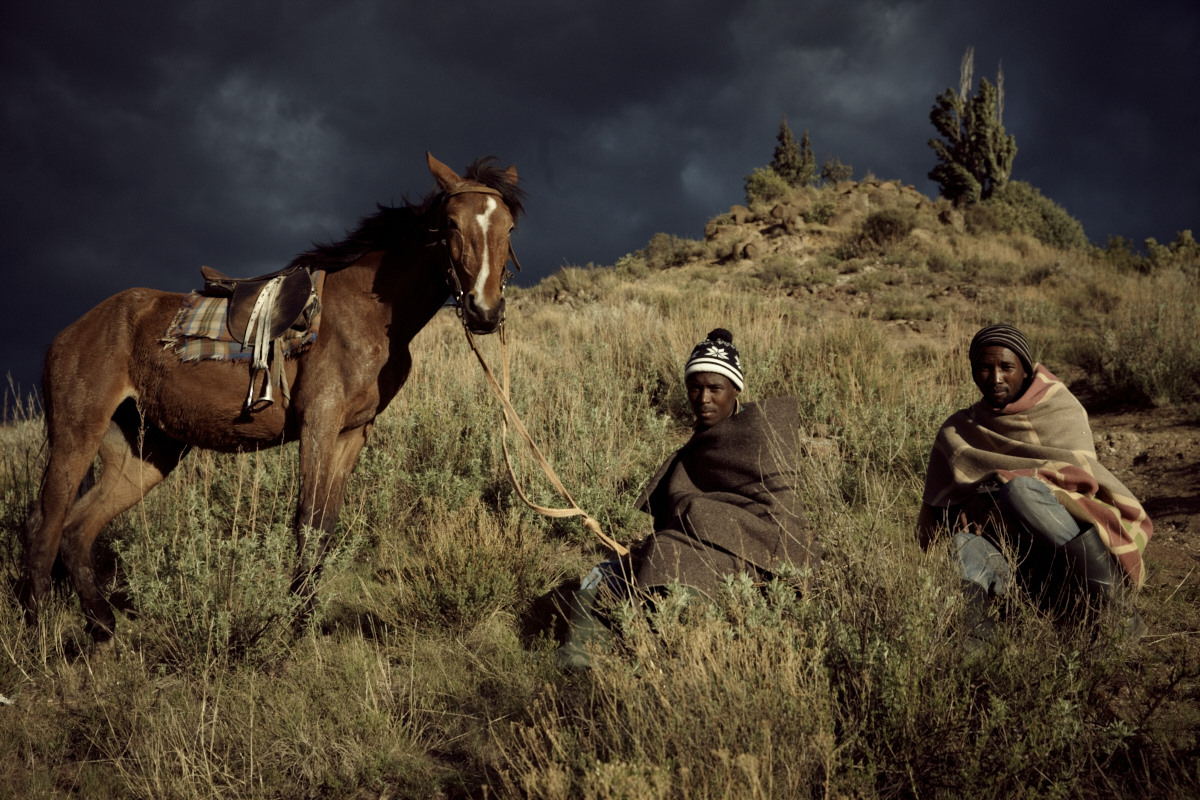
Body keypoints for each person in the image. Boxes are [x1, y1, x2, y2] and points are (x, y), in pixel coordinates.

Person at [557, 328, 821, 668]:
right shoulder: (703, 441)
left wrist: (699, 514)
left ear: (736, 389)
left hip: (750, 549)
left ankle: (652, 656)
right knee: (603, 575)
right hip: (697, 540)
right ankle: (582, 663)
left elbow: (780, 517)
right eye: (695, 388)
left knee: (664, 556)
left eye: (715, 388)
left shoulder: (761, 436)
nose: (704, 398)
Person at [918, 323, 1152, 634]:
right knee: (963, 542)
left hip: (1070, 550)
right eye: (985, 368)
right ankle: (974, 647)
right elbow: (940, 515)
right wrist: (976, 504)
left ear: (1026, 370)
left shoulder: (1059, 408)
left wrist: (998, 494)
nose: (996, 377)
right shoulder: (960, 429)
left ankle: (1117, 613)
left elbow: (1079, 480)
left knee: (1021, 491)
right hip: (1020, 565)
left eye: (1006, 367)